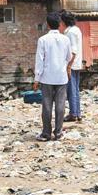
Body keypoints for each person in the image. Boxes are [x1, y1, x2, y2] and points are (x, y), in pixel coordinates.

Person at [34, 13, 73, 141]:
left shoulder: (43, 40)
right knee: (61, 105)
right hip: (61, 77)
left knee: (46, 105)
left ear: (48, 24)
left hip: (47, 78)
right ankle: (58, 133)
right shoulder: (66, 39)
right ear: (59, 24)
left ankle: (46, 133)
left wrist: (36, 79)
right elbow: (69, 57)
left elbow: (40, 61)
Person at [62, 12, 83, 122]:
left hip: (72, 64)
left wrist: (68, 66)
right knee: (75, 89)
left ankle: (73, 113)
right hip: (76, 63)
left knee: (72, 90)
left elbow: (73, 51)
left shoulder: (70, 33)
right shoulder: (76, 30)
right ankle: (77, 112)